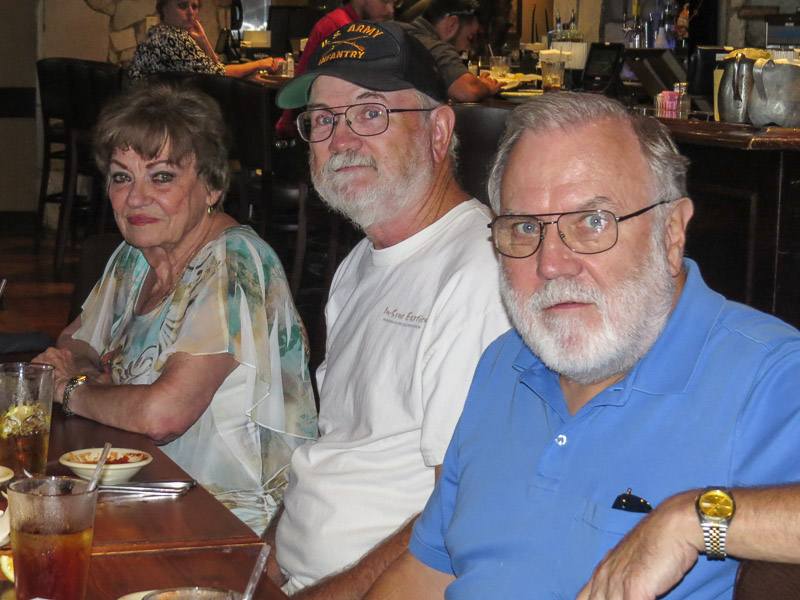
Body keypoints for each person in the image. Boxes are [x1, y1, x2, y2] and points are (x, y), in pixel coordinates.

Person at [365, 92, 800, 599]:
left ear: (672, 231)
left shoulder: (766, 374)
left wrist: (693, 518)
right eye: (525, 227)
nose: (552, 262)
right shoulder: (505, 362)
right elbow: (427, 572)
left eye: (594, 222)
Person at [265, 21, 511, 599]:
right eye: (323, 119)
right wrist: (262, 566)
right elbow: (335, 452)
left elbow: (461, 517)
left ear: (439, 128)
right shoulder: (358, 265)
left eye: (370, 112)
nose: (340, 139)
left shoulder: (476, 272)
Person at [33, 82, 318, 535]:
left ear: (212, 187)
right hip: (146, 491)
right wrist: (95, 382)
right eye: (122, 177)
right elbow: (74, 342)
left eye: (161, 176)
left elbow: (162, 416)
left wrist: (73, 391)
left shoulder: (234, 263)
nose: (135, 198)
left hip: (230, 523)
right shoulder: (135, 254)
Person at [274, 0, 394, 138]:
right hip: (314, 124)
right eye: (385, 1)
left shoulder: (354, 26)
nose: (390, 10)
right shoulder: (342, 28)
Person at [128, 0, 277, 81]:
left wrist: (203, 40)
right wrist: (259, 63)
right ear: (164, 9)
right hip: (154, 114)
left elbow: (215, 69)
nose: (191, 12)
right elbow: (219, 75)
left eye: (194, 6)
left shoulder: (159, 31)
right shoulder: (170, 37)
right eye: (182, 6)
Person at [399, 0, 502, 103]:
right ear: (451, 24)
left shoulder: (395, 29)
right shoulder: (437, 48)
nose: (467, 49)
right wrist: (486, 87)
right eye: (469, 38)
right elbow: (467, 91)